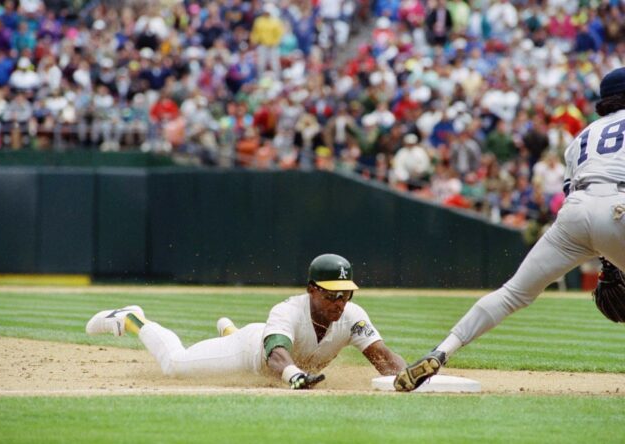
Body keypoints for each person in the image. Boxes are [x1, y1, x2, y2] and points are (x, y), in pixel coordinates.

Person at [394, 67, 625, 391]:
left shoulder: (582, 136)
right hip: (620, 204)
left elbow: (574, 194)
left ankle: (442, 350)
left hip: (575, 212)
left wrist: (606, 255)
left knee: (512, 293)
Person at [86, 254, 405, 389]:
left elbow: (383, 357)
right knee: (175, 365)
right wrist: (294, 375)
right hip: (248, 352)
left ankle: (228, 331)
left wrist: (410, 378)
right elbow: (276, 352)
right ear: (311, 290)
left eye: (345, 294)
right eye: (332, 295)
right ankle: (132, 318)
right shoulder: (288, 311)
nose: (340, 302)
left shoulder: (353, 316)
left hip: (273, 357)